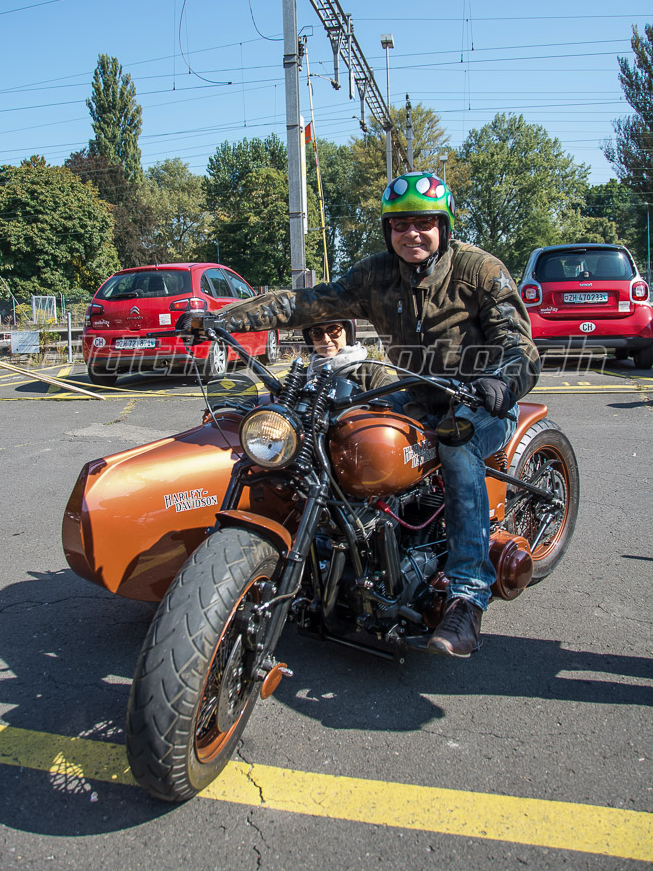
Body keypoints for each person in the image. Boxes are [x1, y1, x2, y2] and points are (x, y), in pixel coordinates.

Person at [209, 171, 540, 658]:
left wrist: (500, 383)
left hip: (478, 401)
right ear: (388, 231)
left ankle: (468, 595)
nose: (412, 233)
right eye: (400, 224)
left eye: (424, 223)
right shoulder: (375, 275)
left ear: (444, 226)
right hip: (415, 395)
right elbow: (305, 303)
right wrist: (222, 320)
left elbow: (520, 347)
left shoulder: (479, 270)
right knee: (344, 430)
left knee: (457, 445)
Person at [302, 319, 392, 393]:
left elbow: (390, 403)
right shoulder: (302, 375)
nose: (326, 339)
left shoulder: (371, 369)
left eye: (334, 330)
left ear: (348, 333)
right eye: (316, 333)